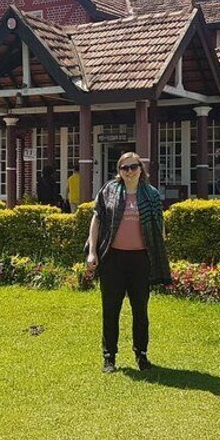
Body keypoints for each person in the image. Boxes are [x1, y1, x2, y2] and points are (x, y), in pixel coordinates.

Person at [85, 152, 171, 374]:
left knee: (140, 310)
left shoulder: (151, 194)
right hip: (113, 258)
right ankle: (109, 356)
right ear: (119, 171)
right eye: (125, 168)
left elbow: (159, 225)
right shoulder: (109, 190)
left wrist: (159, 251)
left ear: (141, 169)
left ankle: (141, 355)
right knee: (110, 309)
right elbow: (97, 219)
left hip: (140, 259)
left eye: (133, 167)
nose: (129, 171)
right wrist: (92, 252)